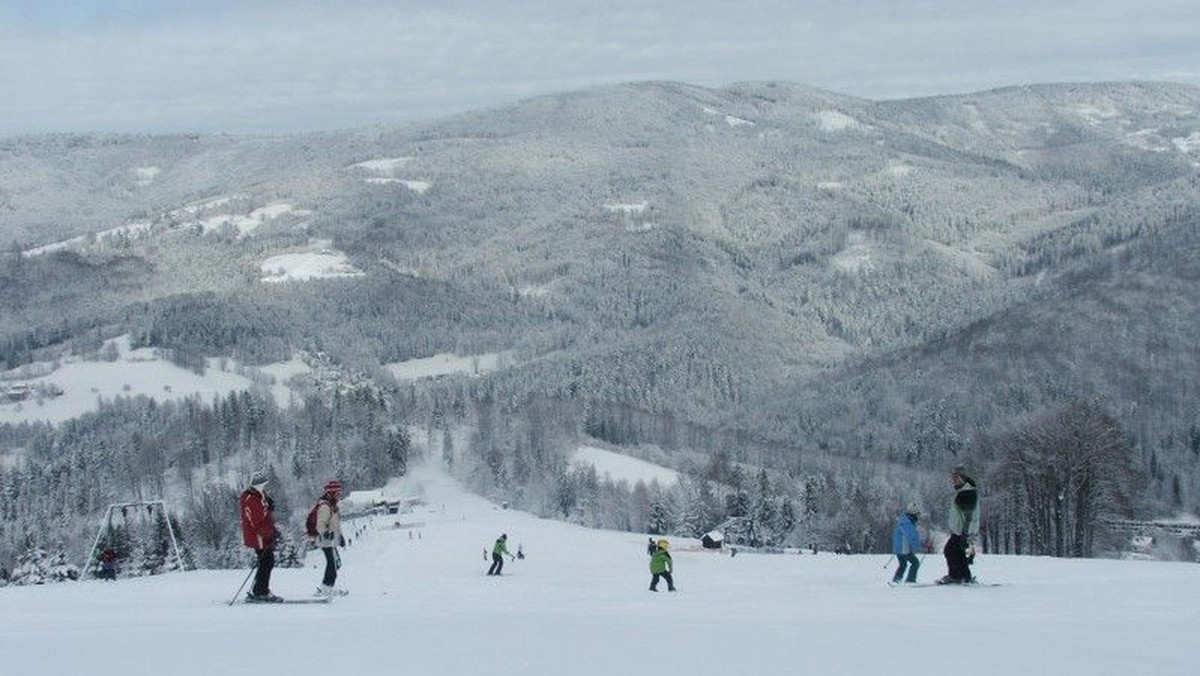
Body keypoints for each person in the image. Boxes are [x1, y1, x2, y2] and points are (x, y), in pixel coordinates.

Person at [240, 471, 281, 602]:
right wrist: (269, 534)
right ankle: (260, 591)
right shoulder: (253, 499)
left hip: (262, 535)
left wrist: (272, 530)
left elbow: (265, 516)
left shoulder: (258, 497)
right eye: (264, 485)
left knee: (266, 561)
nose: (265, 487)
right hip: (258, 536)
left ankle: (260, 589)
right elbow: (257, 521)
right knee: (267, 561)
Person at [939, 466, 981, 584]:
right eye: (953, 479)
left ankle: (956, 576)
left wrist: (965, 533)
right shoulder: (965, 491)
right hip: (960, 530)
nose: (953, 481)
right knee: (958, 552)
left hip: (962, 530)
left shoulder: (967, 493)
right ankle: (965, 576)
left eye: (956, 479)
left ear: (962, 479)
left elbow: (968, 515)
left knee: (950, 550)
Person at [312, 479, 346, 596]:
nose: (339, 496)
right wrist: (326, 533)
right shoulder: (325, 506)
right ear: (331, 493)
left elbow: (335, 524)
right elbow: (320, 524)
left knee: (335, 564)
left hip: (331, 540)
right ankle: (326, 588)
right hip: (326, 541)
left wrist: (340, 536)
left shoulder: (333, 506)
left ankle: (327, 587)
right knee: (332, 564)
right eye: (337, 493)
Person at [892, 503, 922, 583]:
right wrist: (920, 546)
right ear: (913, 514)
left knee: (903, 565)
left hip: (899, 548)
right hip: (904, 549)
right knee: (915, 563)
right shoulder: (907, 522)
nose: (918, 516)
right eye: (917, 514)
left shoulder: (904, 520)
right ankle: (910, 581)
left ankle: (896, 580)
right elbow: (911, 536)